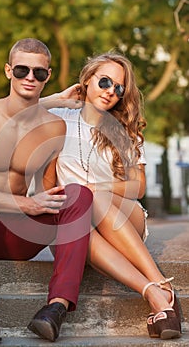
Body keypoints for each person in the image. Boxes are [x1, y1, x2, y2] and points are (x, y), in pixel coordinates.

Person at [0, 38, 93, 344]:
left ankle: (55, 309)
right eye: (23, 69)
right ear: (9, 70)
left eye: (39, 72)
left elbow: (49, 192)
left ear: (47, 76)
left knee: (80, 195)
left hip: (20, 239)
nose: (30, 77)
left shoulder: (54, 128)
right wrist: (25, 204)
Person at [43, 51, 182, 340]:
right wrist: (55, 98)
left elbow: (138, 187)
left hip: (123, 216)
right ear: (87, 80)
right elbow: (8, 113)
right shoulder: (57, 118)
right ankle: (159, 294)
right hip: (74, 226)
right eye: (104, 81)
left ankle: (157, 281)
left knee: (95, 198)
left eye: (118, 88)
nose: (110, 92)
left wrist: (97, 190)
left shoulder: (122, 129)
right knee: (78, 218)